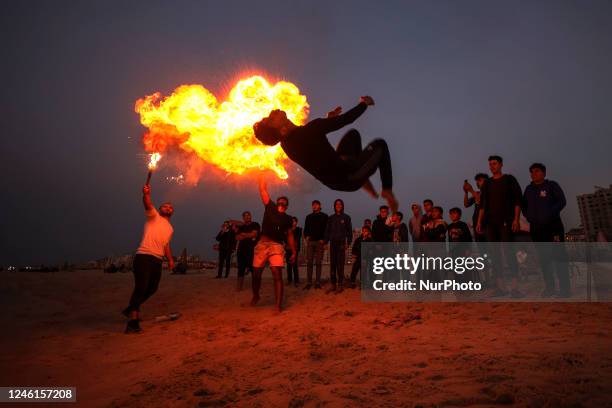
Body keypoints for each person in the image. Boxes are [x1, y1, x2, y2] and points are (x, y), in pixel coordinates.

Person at [253, 95, 398, 212]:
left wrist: (327, 121)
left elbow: (311, 143)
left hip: (336, 176)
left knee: (353, 135)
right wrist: (364, 103)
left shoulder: (286, 145)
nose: (272, 112)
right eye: (271, 119)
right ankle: (387, 191)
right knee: (381, 145)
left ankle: (363, 176)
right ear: (282, 130)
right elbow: (347, 119)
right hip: (349, 178)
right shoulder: (311, 130)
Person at [123, 184, 174, 334]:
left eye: (170, 207)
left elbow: (166, 246)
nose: (168, 207)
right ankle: (132, 322)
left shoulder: (170, 229)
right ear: (160, 209)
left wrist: (170, 260)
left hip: (157, 260)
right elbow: (147, 203)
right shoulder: (154, 216)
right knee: (141, 287)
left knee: (152, 289)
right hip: (144, 256)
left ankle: (131, 307)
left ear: (172, 212)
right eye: (165, 206)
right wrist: (146, 194)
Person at [476, 155, 523, 298]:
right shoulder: (487, 184)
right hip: (490, 223)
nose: (492, 166)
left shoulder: (509, 179)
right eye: (490, 164)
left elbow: (517, 200)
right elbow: (483, 205)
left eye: (495, 163)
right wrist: (479, 222)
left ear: (501, 164)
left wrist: (516, 219)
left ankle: (515, 288)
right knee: (494, 255)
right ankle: (500, 288)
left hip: (506, 221)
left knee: (509, 253)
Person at [522, 163, 570, 297]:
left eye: (536, 171)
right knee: (544, 259)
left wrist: (549, 214)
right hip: (537, 229)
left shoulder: (552, 185)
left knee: (559, 257)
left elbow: (562, 201)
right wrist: (529, 216)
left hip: (553, 227)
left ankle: (565, 289)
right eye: (531, 172)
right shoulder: (528, 189)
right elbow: (523, 206)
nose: (533, 174)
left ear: (544, 173)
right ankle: (550, 288)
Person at [251, 177, 296, 312]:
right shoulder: (270, 207)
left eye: (284, 202)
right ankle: (256, 295)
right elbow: (263, 190)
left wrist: (293, 251)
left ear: (287, 205)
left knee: (277, 273)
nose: (282, 202)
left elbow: (289, 235)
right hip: (262, 244)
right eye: (280, 200)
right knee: (256, 274)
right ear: (277, 203)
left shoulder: (288, 219)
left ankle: (278, 305)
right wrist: (262, 177)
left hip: (277, 246)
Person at [324, 199, 353, 293]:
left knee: (340, 265)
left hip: (341, 244)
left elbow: (349, 231)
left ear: (342, 205)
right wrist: (325, 242)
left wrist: (348, 243)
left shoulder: (346, 217)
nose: (338, 205)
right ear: (334, 206)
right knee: (332, 265)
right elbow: (327, 231)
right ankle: (333, 284)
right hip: (332, 243)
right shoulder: (331, 218)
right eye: (337, 204)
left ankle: (340, 285)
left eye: (340, 204)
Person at [303, 200, 328, 290]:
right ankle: (309, 282)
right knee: (309, 262)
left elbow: (326, 229)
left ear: (320, 206)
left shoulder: (324, 216)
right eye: (313, 205)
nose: (314, 206)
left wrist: (325, 240)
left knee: (318, 262)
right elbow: (305, 229)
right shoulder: (308, 217)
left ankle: (318, 282)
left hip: (320, 242)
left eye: (316, 205)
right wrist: (306, 236)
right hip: (310, 242)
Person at [235, 211, 260, 291]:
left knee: (253, 269)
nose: (247, 217)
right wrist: (247, 235)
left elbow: (254, 234)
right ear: (243, 218)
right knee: (240, 269)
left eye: (248, 215)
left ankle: (255, 287)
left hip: (252, 250)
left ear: (251, 216)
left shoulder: (255, 224)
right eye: (245, 216)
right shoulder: (241, 227)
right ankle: (239, 287)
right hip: (241, 250)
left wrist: (244, 235)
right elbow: (237, 238)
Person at [464, 173, 488, 241]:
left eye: (480, 180)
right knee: (481, 247)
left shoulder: (489, 192)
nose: (477, 183)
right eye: (477, 181)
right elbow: (466, 204)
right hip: (476, 223)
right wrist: (466, 192)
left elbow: (480, 200)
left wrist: (471, 190)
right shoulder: (477, 193)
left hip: (486, 223)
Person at [285, 216, 303, 286]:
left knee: (294, 265)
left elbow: (297, 239)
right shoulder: (287, 230)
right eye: (292, 221)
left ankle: (296, 280)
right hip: (288, 249)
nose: (293, 223)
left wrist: (292, 243)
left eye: (294, 221)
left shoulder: (299, 229)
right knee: (288, 265)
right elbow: (285, 239)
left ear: (296, 222)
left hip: (295, 249)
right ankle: (289, 280)